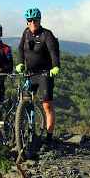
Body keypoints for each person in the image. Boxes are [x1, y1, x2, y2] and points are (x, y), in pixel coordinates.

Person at [15, 8, 60, 151]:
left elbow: (53, 50)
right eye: (30, 20)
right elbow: (20, 48)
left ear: (40, 20)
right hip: (29, 73)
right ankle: (20, 136)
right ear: (27, 22)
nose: (32, 23)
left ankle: (48, 139)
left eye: (35, 20)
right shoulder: (26, 33)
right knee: (25, 103)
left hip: (44, 74)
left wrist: (56, 66)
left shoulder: (47, 34)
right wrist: (20, 63)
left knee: (47, 106)